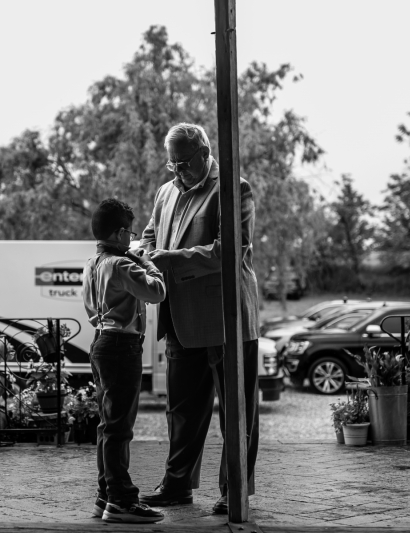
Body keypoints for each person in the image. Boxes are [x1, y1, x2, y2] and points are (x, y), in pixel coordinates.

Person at [135, 122, 260, 515]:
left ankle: (234, 490)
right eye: (172, 164)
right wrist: (149, 252)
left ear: (206, 153)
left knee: (237, 412)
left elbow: (229, 251)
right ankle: (176, 487)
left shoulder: (234, 188)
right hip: (179, 317)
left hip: (227, 319)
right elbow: (151, 234)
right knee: (181, 412)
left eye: (184, 163)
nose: (178, 171)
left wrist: (172, 260)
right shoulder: (165, 191)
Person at [82, 198, 167, 523]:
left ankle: (105, 496)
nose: (132, 239)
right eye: (130, 233)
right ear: (118, 234)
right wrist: (146, 262)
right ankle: (121, 500)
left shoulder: (92, 263)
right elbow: (156, 292)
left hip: (101, 342)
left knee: (107, 426)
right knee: (119, 429)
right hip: (122, 346)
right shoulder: (122, 264)